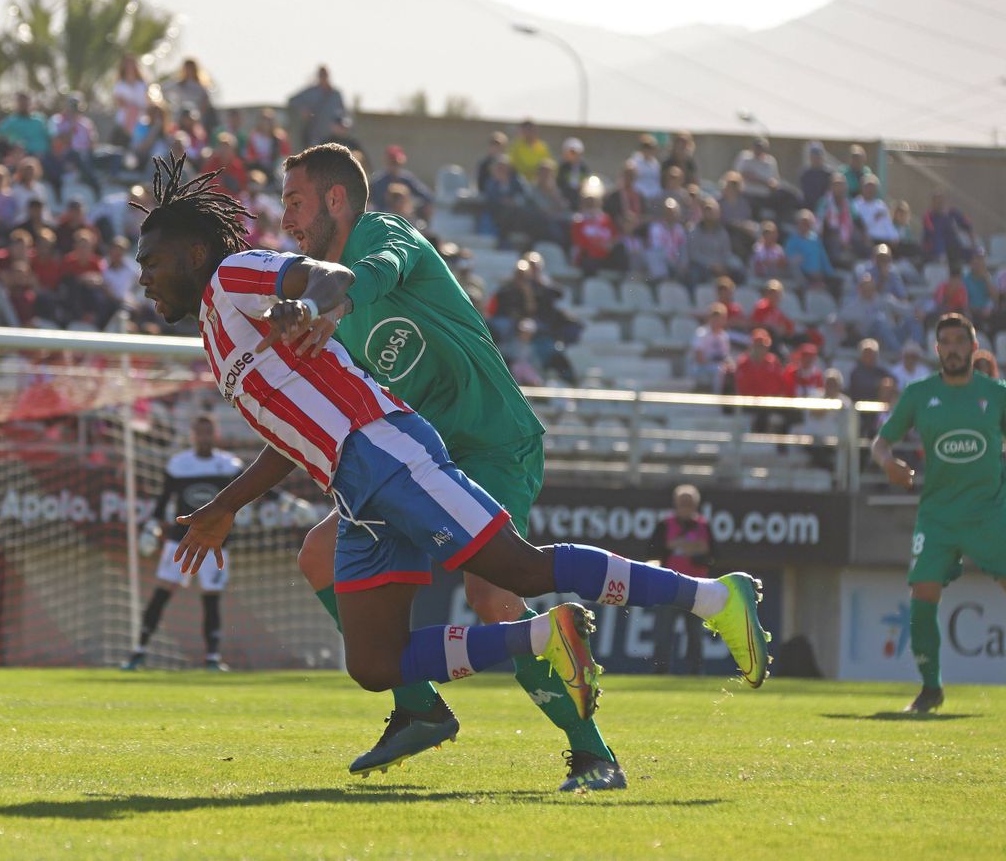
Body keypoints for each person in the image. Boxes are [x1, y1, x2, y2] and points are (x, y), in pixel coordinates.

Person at [138, 153, 771, 787]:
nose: (285, 217)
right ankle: (417, 706)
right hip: (378, 466)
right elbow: (301, 418)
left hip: (483, 438)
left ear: (335, 200)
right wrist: (228, 504)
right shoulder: (244, 323)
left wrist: (323, 298)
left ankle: (596, 748)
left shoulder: (375, 240)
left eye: (295, 202)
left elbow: (366, 273)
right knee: (325, 570)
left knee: (497, 588)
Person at [872, 313, 1006, 716]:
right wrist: (888, 463)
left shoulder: (995, 393)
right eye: (945, 342)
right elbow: (881, 442)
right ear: (938, 350)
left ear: (973, 346)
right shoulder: (919, 394)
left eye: (959, 341)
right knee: (922, 597)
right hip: (938, 516)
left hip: (990, 514)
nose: (952, 348)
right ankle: (930, 689)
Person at [123, 414, 246, 672]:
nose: (204, 437)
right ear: (192, 435)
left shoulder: (229, 465)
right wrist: (152, 525)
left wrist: (286, 502)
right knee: (162, 592)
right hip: (180, 541)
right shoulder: (179, 465)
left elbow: (254, 488)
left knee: (211, 598)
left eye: (208, 432)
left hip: (215, 542)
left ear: (216, 434)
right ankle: (139, 651)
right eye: (199, 432)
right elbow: (163, 500)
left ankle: (212, 658)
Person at [648, 485, 713, 675]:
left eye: (689, 502)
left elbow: (713, 555)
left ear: (696, 505)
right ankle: (661, 669)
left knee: (696, 633)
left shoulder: (703, 526)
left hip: (697, 588)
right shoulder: (665, 525)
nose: (685, 506)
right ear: (676, 503)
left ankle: (695, 670)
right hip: (669, 587)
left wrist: (692, 553)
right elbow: (652, 551)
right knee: (663, 631)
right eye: (682, 502)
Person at [285, 65, 344, 148]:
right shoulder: (311, 92)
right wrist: (303, 110)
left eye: (325, 75)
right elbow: (292, 101)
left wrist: (341, 125)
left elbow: (344, 113)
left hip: (332, 137)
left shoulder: (336, 95)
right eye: (321, 75)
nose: (323, 78)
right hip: (314, 135)